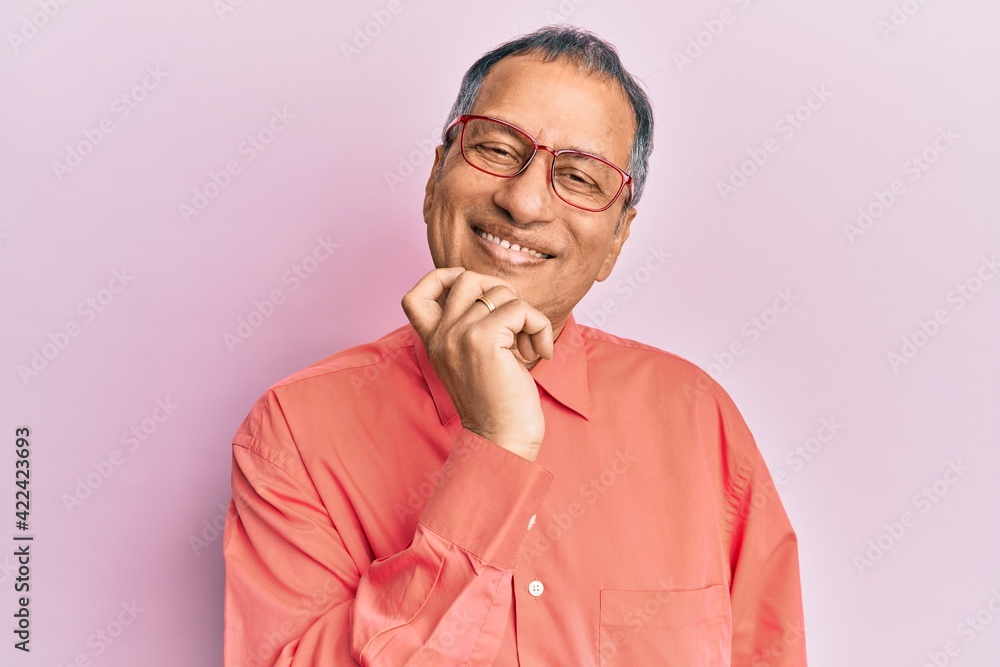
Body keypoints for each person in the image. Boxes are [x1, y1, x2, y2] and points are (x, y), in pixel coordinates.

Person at [223, 25, 807, 666]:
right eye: (498, 150)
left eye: (581, 178)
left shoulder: (698, 417)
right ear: (434, 176)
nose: (524, 202)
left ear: (617, 240)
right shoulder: (295, 434)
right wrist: (495, 451)